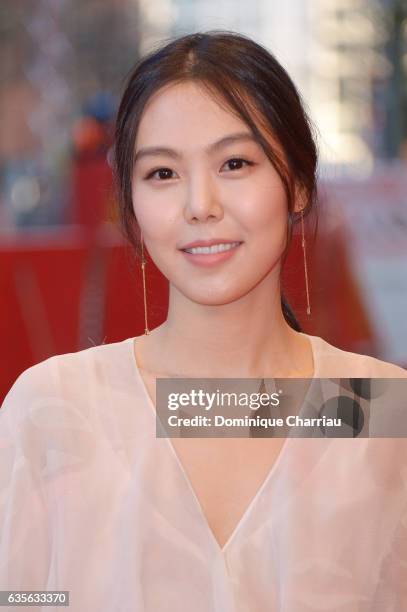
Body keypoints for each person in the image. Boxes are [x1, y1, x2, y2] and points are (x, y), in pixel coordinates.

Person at [1, 30, 406, 612]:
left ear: (297, 183)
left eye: (235, 163)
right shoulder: (52, 411)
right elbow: (20, 599)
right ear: (131, 205)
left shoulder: (378, 409)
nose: (200, 204)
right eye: (162, 173)